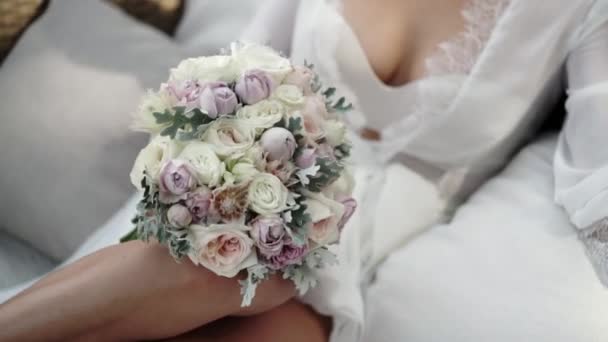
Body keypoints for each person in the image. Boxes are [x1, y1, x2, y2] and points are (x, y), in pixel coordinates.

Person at [2, 0, 608, 340]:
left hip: (365, 246)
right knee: (217, 262)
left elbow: (598, 177)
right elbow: (238, 68)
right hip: (243, 188)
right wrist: (216, 156)